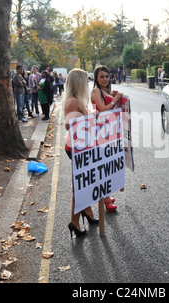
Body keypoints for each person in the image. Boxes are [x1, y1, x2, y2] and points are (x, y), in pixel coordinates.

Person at [63, 68, 98, 238]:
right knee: (80, 186)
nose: (88, 84)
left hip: (83, 145)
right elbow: (69, 126)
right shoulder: (72, 101)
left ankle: (88, 213)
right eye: (85, 81)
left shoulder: (78, 100)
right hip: (76, 148)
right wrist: (90, 116)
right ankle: (74, 222)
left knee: (87, 183)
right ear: (78, 82)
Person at [90, 65, 123, 212]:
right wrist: (115, 99)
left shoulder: (105, 91)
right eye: (102, 76)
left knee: (107, 165)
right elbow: (103, 110)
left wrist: (113, 95)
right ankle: (106, 199)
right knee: (102, 166)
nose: (105, 79)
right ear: (96, 78)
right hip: (100, 132)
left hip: (109, 131)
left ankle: (106, 195)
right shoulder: (96, 91)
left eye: (107, 76)